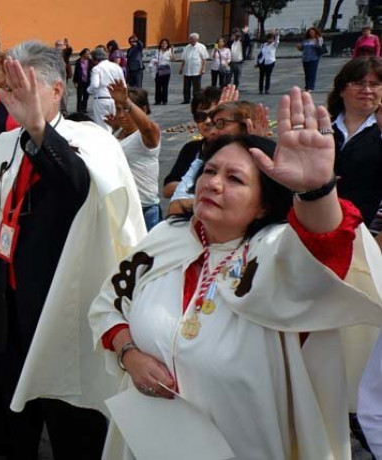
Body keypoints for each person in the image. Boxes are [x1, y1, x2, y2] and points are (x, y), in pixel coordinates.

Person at [90, 87, 382, 459]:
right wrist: (129, 353)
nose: (212, 183)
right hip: (150, 439)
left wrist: (315, 192)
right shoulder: (165, 237)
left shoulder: (278, 251)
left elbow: (323, 254)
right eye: (210, 171)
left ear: (263, 206)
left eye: (235, 179)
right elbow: (109, 304)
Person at [0, 41, 146, 460]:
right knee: (11, 426)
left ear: (57, 90)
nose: (12, 97)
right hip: (8, 307)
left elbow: (78, 188)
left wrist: (41, 130)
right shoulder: (5, 145)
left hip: (62, 311)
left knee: (71, 428)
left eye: (23, 87)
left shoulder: (90, 140)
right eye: (6, 88)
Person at [169, 99, 271, 215]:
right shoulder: (205, 158)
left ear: (247, 126)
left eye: (221, 124)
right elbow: (176, 206)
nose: (213, 131)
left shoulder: (268, 167)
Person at [327, 56, 382, 225]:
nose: (367, 89)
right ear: (341, 90)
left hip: (367, 228)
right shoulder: (324, 127)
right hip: (320, 221)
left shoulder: (379, 131)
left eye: (374, 84)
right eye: (358, 83)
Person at [107, 84, 161, 230]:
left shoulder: (147, 136)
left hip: (144, 209)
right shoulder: (117, 133)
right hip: (121, 208)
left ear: (142, 110)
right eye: (118, 109)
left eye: (126, 109)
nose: (122, 114)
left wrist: (127, 102)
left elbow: (148, 127)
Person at [163, 86, 222, 199]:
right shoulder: (191, 149)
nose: (208, 121)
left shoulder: (236, 150)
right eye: (200, 116)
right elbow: (167, 189)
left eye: (213, 115)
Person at [88, 47, 126, 131]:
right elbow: (123, 85)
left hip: (102, 99)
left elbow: (94, 84)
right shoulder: (116, 67)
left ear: (96, 59)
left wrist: (89, 90)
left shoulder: (97, 68)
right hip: (116, 99)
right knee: (117, 126)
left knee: (103, 127)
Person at [180, 33, 209, 104]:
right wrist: (181, 68)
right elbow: (183, 59)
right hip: (187, 70)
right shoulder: (187, 47)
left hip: (197, 70)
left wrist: (203, 69)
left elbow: (204, 59)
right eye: (190, 38)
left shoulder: (201, 47)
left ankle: (197, 99)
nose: (190, 40)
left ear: (196, 39)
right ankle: (186, 99)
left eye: (191, 38)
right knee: (186, 86)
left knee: (196, 87)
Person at [297, 28, 324, 92]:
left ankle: (311, 87)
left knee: (312, 73)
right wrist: (299, 47)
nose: (311, 33)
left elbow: (319, 47)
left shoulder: (318, 39)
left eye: (312, 32)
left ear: (315, 33)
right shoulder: (305, 40)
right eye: (310, 32)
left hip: (314, 58)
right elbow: (302, 48)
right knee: (307, 73)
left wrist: (317, 42)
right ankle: (307, 86)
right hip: (305, 58)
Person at [257, 30, 280, 94]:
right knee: (261, 76)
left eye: (272, 39)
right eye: (269, 38)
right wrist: (257, 62)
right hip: (262, 62)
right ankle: (260, 89)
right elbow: (259, 54)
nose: (270, 40)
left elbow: (277, 41)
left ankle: (267, 89)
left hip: (270, 62)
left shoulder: (274, 45)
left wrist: (277, 35)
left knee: (268, 76)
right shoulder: (263, 45)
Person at [153, 39, 174, 105]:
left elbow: (173, 60)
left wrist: (172, 52)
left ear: (167, 44)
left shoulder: (169, 51)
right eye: (162, 43)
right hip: (159, 69)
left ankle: (165, 100)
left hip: (166, 69)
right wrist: (155, 61)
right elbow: (154, 58)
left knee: (165, 86)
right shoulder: (157, 51)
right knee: (158, 86)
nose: (164, 44)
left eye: (165, 43)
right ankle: (158, 100)